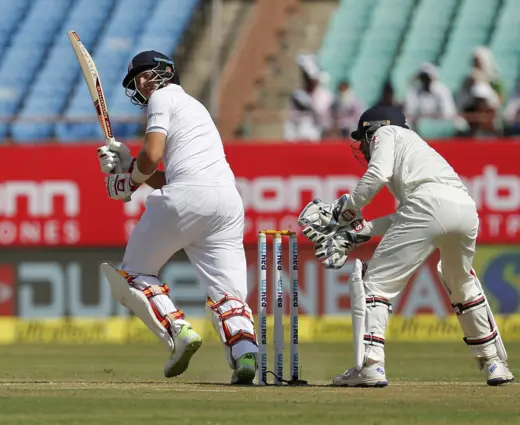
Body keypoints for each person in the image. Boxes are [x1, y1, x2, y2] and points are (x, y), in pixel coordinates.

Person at [297, 106, 514, 387]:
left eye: (363, 137)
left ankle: (372, 365)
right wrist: (358, 233)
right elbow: (411, 215)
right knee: (460, 282)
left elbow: (379, 177)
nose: (362, 146)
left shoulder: (387, 133)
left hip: (429, 206)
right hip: (464, 209)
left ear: (372, 130)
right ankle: (494, 363)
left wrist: (347, 210)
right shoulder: (418, 153)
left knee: (375, 285)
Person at [96, 51, 257, 384]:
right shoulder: (195, 107)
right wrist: (131, 167)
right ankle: (245, 356)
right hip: (226, 202)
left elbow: (152, 156)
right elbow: (167, 175)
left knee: (133, 274)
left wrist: (125, 181)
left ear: (164, 72)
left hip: (188, 199)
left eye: (144, 74)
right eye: (136, 80)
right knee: (229, 293)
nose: (141, 83)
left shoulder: (162, 98)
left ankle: (179, 331)